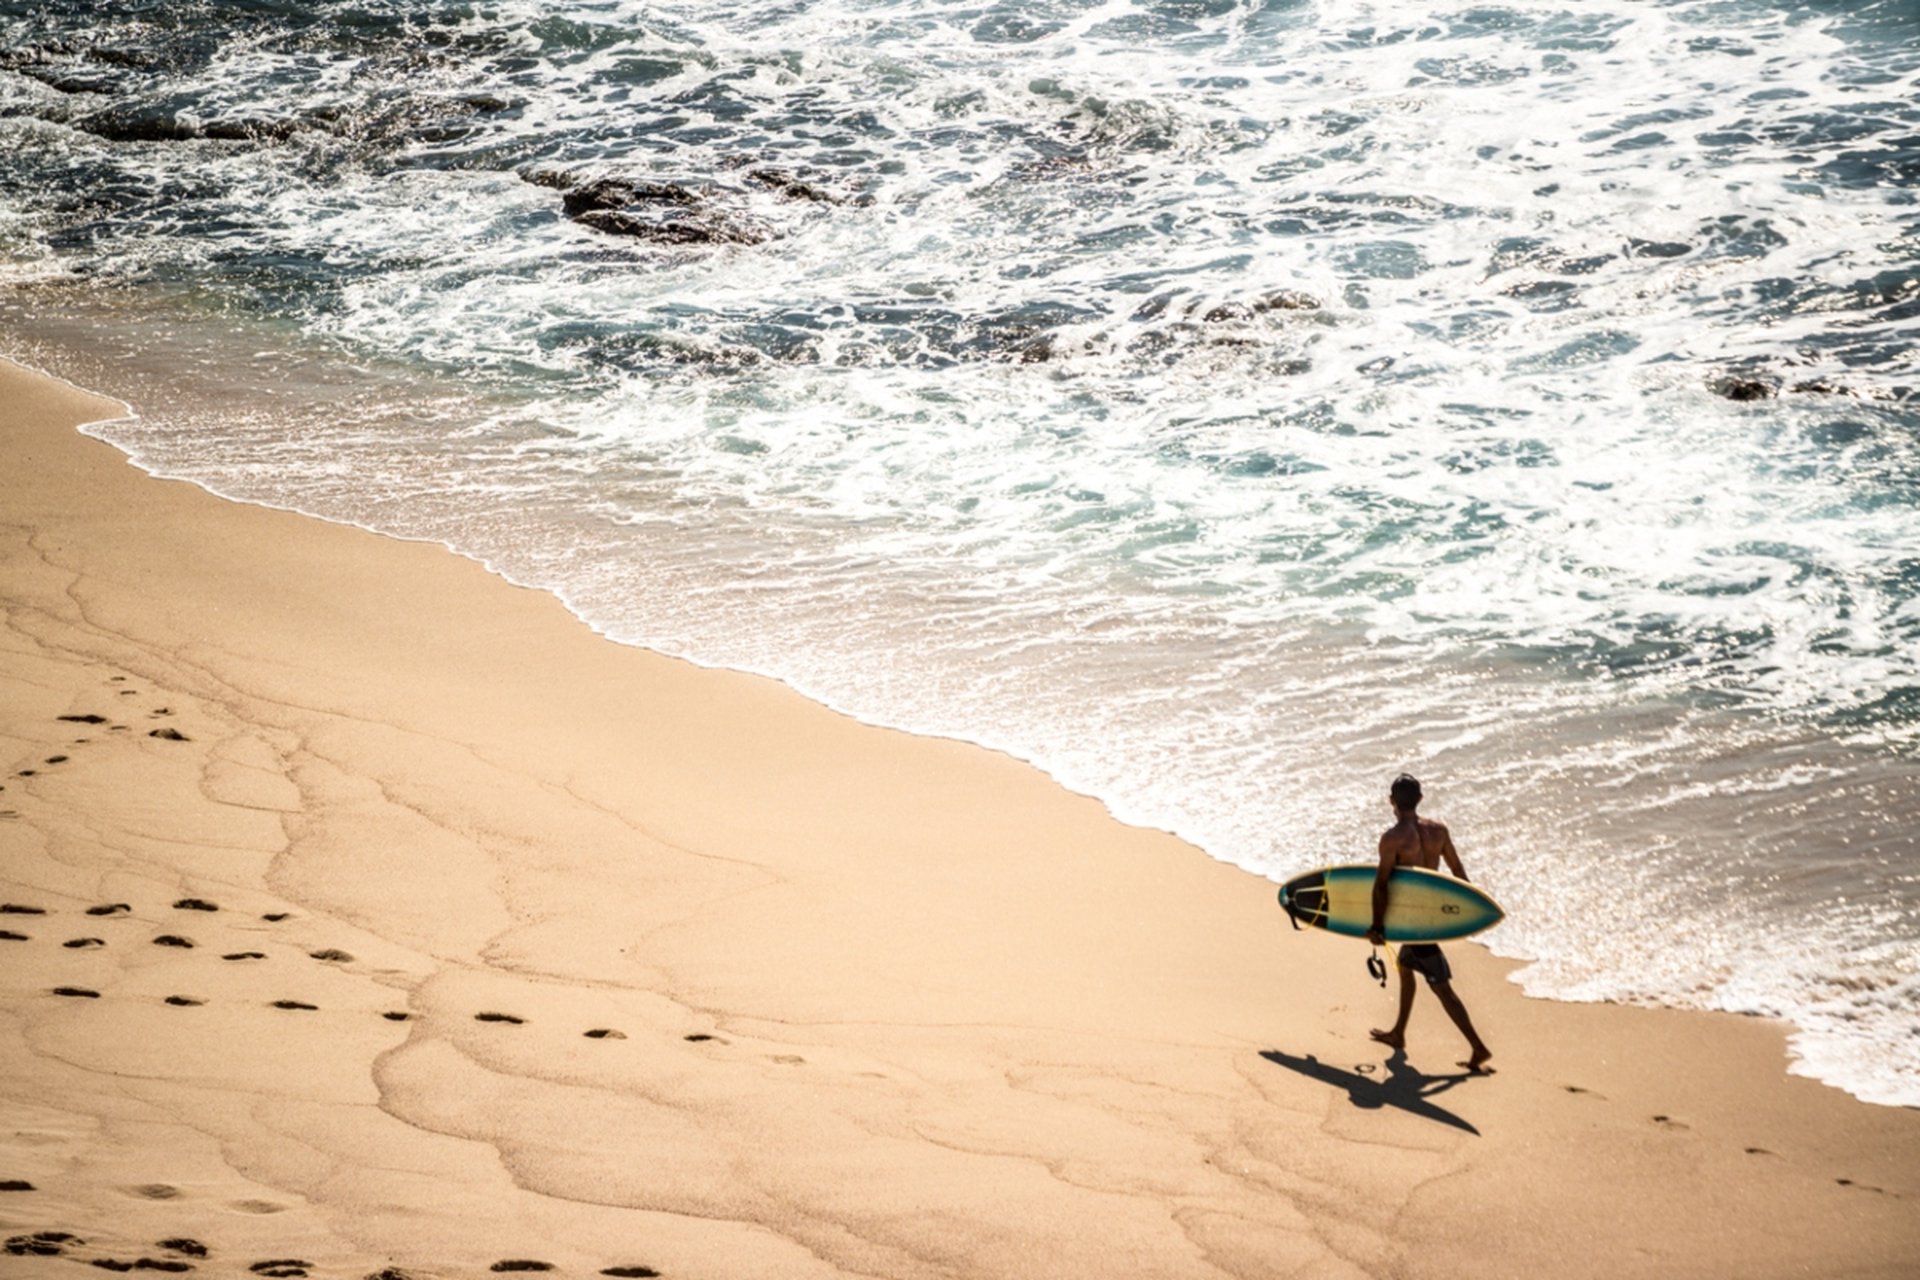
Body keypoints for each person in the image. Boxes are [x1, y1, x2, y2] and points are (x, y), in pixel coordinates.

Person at [1365, 773, 1493, 1073]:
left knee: (1442, 988)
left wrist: (1377, 927)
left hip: (1414, 922)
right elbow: (1457, 872)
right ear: (1420, 799)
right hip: (1432, 917)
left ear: (1391, 802)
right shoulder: (1439, 831)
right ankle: (1398, 1033)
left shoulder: (1393, 838)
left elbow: (1381, 884)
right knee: (1406, 968)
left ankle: (1478, 1047)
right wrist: (1470, 913)